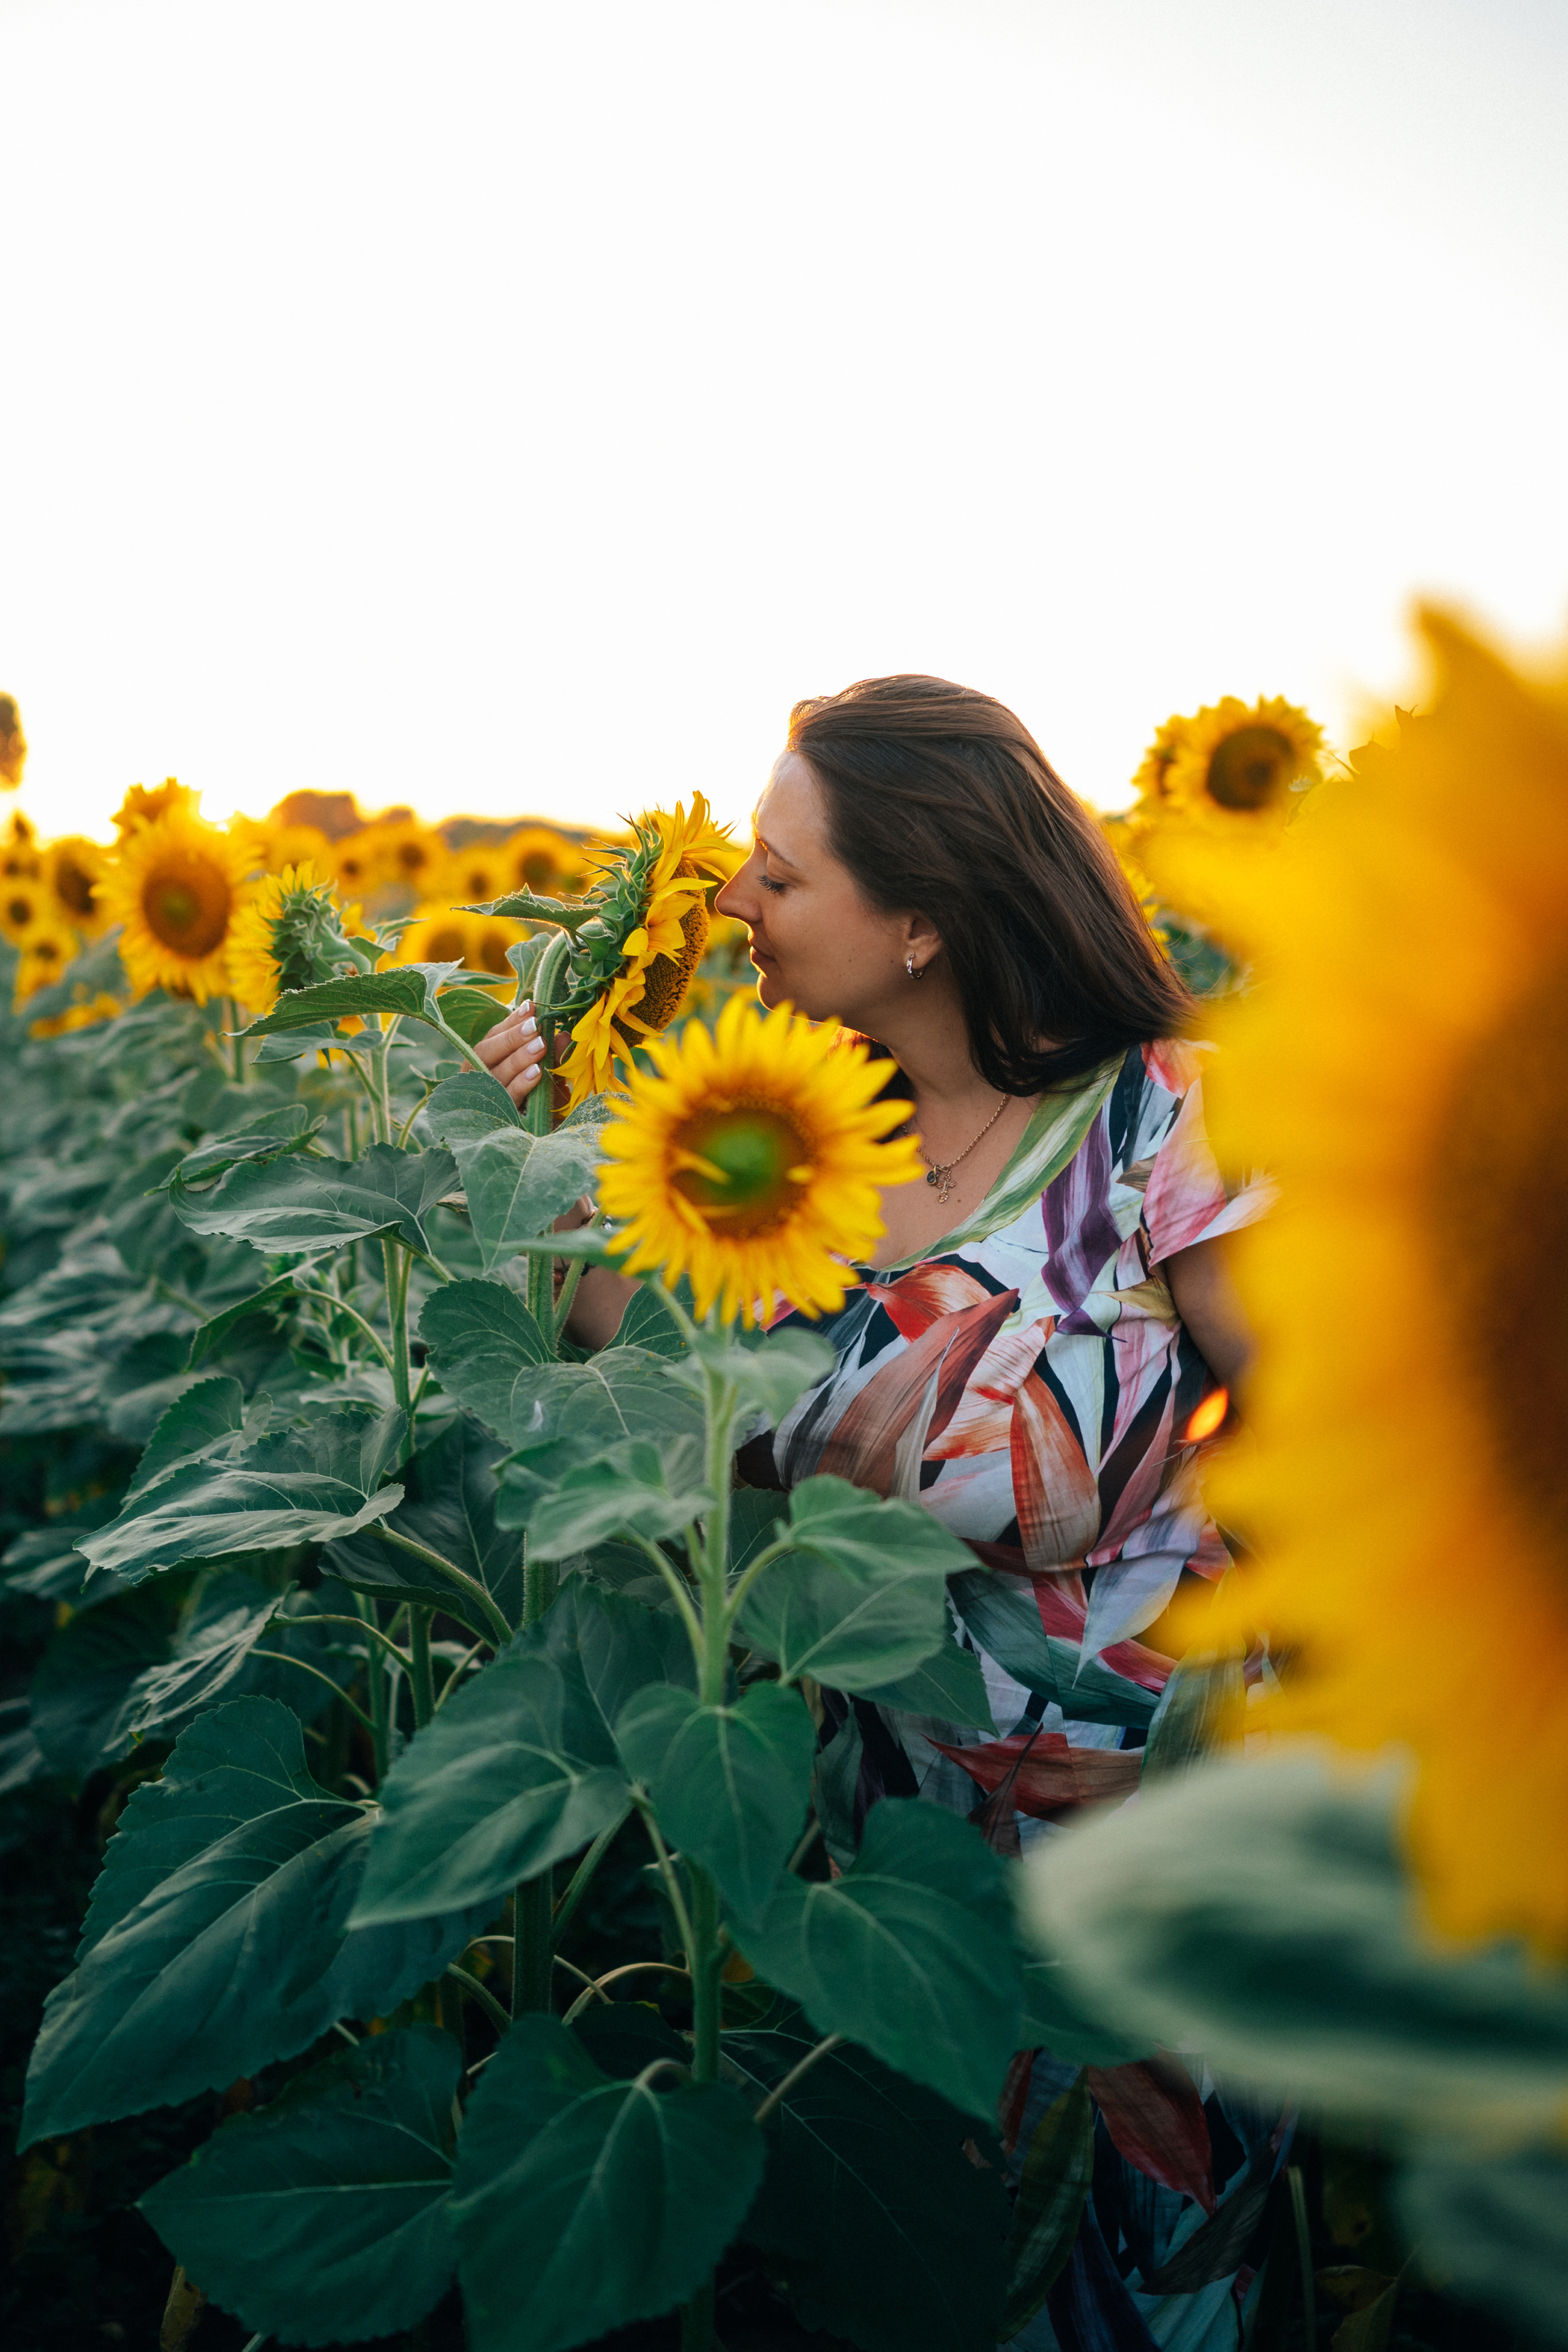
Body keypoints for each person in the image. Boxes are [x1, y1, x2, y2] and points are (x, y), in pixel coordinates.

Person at [477, 676, 1281, 2348]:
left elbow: (1342, 1438)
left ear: (922, 915)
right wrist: (517, 1159)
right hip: (867, 1891)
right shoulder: (784, 1150)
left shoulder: (1161, 1122)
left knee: (1123, 2300)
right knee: (903, 2284)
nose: (734, 904)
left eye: (780, 874)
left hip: (1134, 1874)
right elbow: (626, 1358)